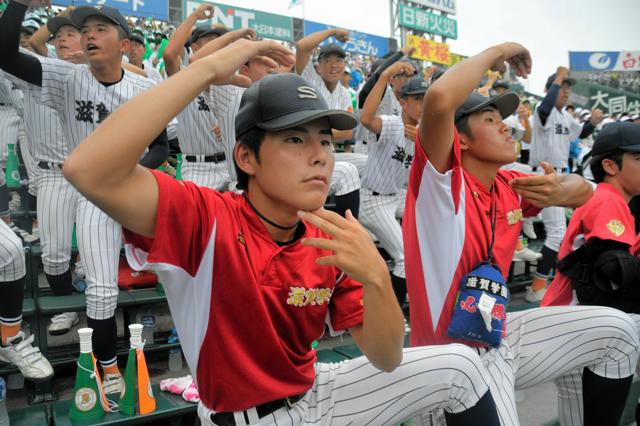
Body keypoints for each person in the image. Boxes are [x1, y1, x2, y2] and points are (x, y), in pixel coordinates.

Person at [63, 37, 504, 426]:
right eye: (295, 139)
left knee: (461, 367)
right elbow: (88, 170)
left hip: (318, 391)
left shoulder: (330, 237)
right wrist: (204, 71)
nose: (320, 156)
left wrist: (376, 279)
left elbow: (387, 356)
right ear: (247, 157)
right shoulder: (207, 216)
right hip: (244, 416)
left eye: (326, 141)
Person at [403, 41, 639, 426]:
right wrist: (503, 51)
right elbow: (441, 96)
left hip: (498, 334)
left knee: (619, 332)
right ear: (459, 139)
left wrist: (567, 188)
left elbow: (584, 192)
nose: (506, 126)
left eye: (504, 119)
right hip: (449, 361)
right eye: (490, 120)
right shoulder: (441, 182)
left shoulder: (508, 184)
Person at [0, 0, 169, 394]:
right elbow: (5, 54)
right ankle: (107, 365)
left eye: (100, 28)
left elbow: (160, 147)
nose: (89, 35)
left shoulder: (144, 87)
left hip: (127, 184)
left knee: (171, 263)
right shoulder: (66, 76)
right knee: (101, 286)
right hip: (88, 189)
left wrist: (132, 168)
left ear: (125, 44)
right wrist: (21, 3)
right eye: (85, 29)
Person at [542, 121, 640, 424]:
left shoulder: (621, 202)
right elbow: (616, 275)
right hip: (576, 326)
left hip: (586, 326)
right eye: (638, 159)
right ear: (610, 165)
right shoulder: (606, 200)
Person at [526, 66, 603, 302]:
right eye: (563, 87)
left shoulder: (565, 116)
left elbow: (580, 133)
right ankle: (537, 286)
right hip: (542, 173)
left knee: (558, 231)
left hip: (558, 175)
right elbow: (545, 108)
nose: (567, 92)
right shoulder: (544, 110)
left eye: (569, 88)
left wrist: (593, 122)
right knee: (558, 232)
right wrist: (557, 79)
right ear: (551, 89)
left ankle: (538, 282)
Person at [359, 61, 423, 316]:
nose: (422, 105)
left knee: (431, 223)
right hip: (372, 200)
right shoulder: (392, 123)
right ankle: (392, 315)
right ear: (403, 102)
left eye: (426, 99)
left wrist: (423, 143)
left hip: (395, 196)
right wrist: (385, 75)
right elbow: (365, 118)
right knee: (405, 259)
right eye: (417, 99)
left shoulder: (425, 134)